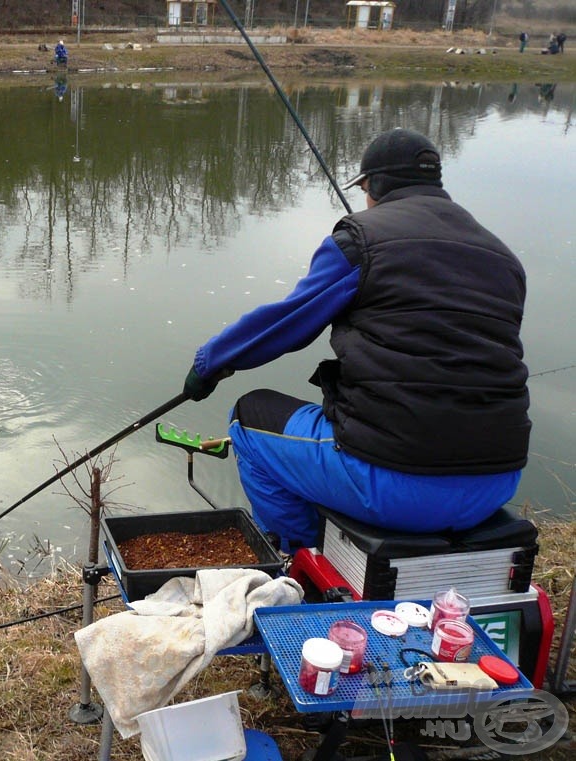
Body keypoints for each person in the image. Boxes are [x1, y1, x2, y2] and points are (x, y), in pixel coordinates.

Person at [182, 128, 530, 552]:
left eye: (364, 188)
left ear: (374, 184)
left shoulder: (360, 240)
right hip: (494, 484)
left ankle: (298, 564)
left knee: (249, 417)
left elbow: (286, 322)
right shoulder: (502, 257)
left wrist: (210, 364)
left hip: (392, 484)